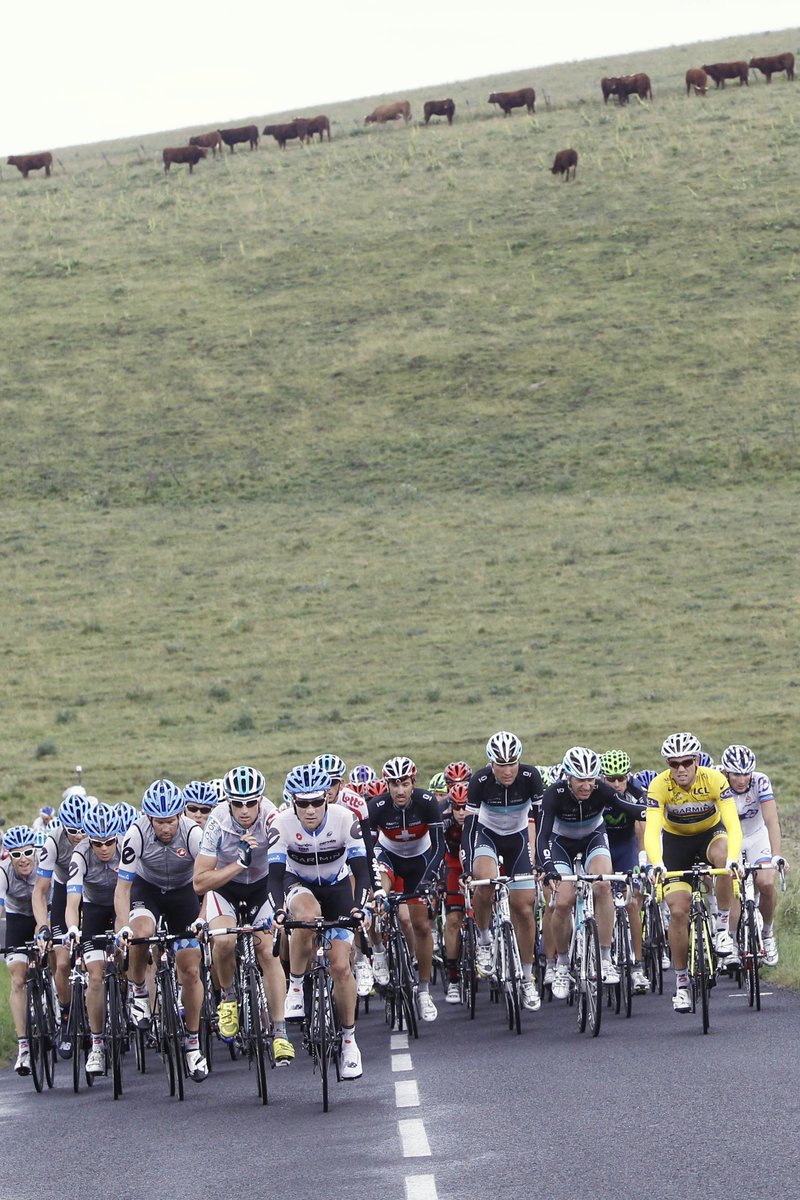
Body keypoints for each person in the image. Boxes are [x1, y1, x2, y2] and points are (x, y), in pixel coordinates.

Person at [268, 762, 372, 1080]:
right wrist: (277, 911)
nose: (310, 810)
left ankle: (350, 1042)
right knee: (306, 916)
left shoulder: (345, 819)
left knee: (340, 966)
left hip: (338, 887)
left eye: (317, 802)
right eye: (303, 803)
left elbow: (362, 870)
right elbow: (273, 878)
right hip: (298, 885)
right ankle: (296, 987)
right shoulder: (281, 824)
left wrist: (359, 908)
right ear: (292, 802)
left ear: (327, 799)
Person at [192, 765, 294, 1064]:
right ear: (228, 801)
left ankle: (279, 1031)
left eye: (252, 802)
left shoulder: (272, 817)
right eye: (238, 803)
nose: (245, 809)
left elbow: (283, 866)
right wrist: (238, 863)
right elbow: (200, 881)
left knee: (267, 950)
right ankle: (228, 997)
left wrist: (281, 904)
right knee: (223, 942)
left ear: (261, 799)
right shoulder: (217, 821)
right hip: (226, 887)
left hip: (262, 887)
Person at [115, 779, 208, 1082]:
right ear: (148, 818)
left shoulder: (193, 833)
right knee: (141, 932)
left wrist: (203, 918)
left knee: (191, 970)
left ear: (180, 815)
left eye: (170, 821)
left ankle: (193, 1044)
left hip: (183, 892)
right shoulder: (135, 834)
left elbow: (209, 883)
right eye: (159, 822)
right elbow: (123, 888)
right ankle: (140, 992)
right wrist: (124, 926)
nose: (166, 828)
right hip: (149, 888)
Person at [643, 732, 742, 1013]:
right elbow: (652, 830)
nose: (681, 768)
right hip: (676, 843)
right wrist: (656, 861)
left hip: (710, 835)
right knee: (677, 911)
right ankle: (682, 982)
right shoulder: (659, 785)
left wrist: (734, 859)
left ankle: (722, 929)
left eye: (687, 761)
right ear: (668, 765)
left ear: (696, 760)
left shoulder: (714, 779)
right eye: (674, 764)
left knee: (724, 859)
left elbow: (733, 825)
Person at [538, 747, 647, 1000]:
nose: (587, 786)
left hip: (593, 840)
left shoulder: (602, 790)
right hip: (560, 844)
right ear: (568, 776)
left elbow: (629, 809)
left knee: (603, 885)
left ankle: (606, 957)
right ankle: (563, 964)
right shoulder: (554, 794)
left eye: (591, 779)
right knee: (563, 902)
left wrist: (656, 811)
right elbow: (542, 837)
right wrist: (549, 868)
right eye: (580, 779)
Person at [463, 730, 543, 1012]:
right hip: (487, 835)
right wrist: (467, 867)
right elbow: (470, 827)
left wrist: (541, 860)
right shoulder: (480, 781)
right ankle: (484, 938)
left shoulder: (531, 777)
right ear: (491, 763)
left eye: (512, 763)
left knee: (524, 907)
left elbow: (541, 821)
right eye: (501, 764)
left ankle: (527, 976)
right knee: (484, 884)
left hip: (518, 839)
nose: (508, 770)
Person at [368, 756, 444, 1022]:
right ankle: (378, 952)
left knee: (421, 925)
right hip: (388, 858)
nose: (399, 790)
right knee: (375, 899)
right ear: (386, 784)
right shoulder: (376, 806)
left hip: (419, 862)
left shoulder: (426, 802)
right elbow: (366, 853)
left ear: (414, 782)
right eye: (394, 784)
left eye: (405, 783)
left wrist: (428, 880)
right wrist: (376, 887)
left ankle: (423, 991)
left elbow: (439, 847)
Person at [32, 789, 93, 1059]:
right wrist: (43, 925)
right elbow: (40, 890)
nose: (79, 836)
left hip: (91, 892)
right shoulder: (52, 842)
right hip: (62, 891)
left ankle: (111, 1009)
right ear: (62, 826)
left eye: (83, 831)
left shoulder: (97, 836)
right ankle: (67, 1015)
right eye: (73, 831)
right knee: (63, 959)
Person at [311, 753, 377, 997]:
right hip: (319, 864)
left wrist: (375, 886)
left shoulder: (355, 802)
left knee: (355, 902)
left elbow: (367, 850)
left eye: (333, 783)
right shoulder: (308, 803)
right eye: (323, 782)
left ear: (342, 783)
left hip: (349, 857)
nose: (327, 789)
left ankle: (361, 956)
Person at [64, 803, 122, 1076]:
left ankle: (134, 995)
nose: (104, 848)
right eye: (98, 843)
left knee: (132, 956)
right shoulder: (80, 854)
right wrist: (73, 927)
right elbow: (73, 898)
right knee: (96, 978)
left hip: (123, 904)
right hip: (95, 910)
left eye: (109, 841)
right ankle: (97, 1045)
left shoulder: (125, 848)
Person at [719, 744, 784, 966]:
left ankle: (767, 933)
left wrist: (776, 856)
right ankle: (734, 945)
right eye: (737, 774)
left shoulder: (760, 781)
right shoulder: (717, 782)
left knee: (766, 883)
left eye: (746, 773)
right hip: (730, 838)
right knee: (733, 886)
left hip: (757, 836)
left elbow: (771, 821)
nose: (742, 779)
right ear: (726, 772)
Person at [599, 750, 649, 994]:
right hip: (603, 848)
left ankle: (638, 967)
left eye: (621, 778)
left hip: (626, 848)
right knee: (602, 897)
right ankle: (599, 958)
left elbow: (644, 821)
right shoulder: (595, 792)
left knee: (632, 903)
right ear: (602, 778)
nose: (617, 783)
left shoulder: (635, 789)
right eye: (611, 779)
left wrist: (643, 857)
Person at [0, 825, 39, 1075]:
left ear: (36, 851)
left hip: (44, 914)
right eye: (16, 854)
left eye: (27, 852)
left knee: (59, 960)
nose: (23, 859)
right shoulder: (3, 872)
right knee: (17, 979)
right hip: (17, 919)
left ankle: (60, 1008)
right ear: (8, 856)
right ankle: (24, 1046)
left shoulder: (46, 865)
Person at [440, 782, 469, 1002]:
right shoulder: (443, 818)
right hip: (452, 864)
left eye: (465, 807)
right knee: (453, 919)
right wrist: (438, 882)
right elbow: (436, 851)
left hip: (475, 863)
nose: (461, 812)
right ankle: (453, 979)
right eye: (457, 807)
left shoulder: (480, 816)